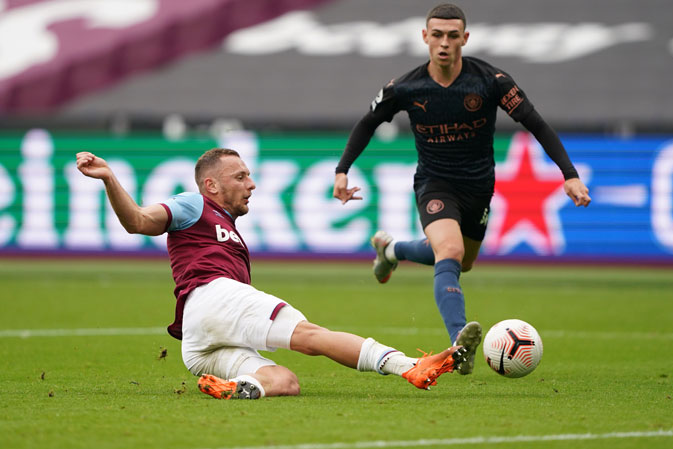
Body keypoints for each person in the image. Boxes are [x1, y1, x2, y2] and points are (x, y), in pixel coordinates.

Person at [76, 148, 467, 399]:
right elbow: (139, 221)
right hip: (212, 297)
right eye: (241, 177)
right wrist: (110, 178)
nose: (252, 183)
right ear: (211, 184)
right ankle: (408, 366)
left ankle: (236, 389)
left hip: (198, 344)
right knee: (312, 336)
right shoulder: (193, 204)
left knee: (285, 383)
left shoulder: (225, 226)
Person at [332, 3, 591, 376]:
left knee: (460, 262)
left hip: (479, 188)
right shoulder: (405, 87)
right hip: (435, 183)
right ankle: (458, 344)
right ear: (425, 37)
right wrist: (342, 170)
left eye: (453, 36)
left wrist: (568, 173)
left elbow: (536, 123)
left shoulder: (491, 81)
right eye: (436, 35)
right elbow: (367, 122)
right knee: (449, 250)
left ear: (464, 39)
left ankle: (390, 249)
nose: (444, 43)